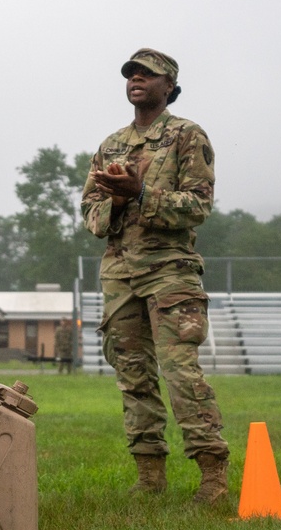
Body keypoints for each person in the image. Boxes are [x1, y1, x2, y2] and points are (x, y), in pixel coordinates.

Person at [79, 48, 229, 505]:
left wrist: (141, 192)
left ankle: (212, 474)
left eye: (148, 74)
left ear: (169, 86)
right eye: (131, 74)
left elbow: (198, 206)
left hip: (170, 271)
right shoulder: (111, 145)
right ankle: (149, 476)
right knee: (132, 374)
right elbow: (89, 211)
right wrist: (119, 202)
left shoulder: (187, 135)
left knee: (180, 370)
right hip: (120, 272)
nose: (136, 79)